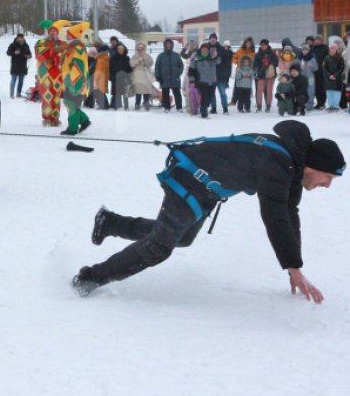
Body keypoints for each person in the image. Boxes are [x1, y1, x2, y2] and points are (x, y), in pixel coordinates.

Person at [72, 120, 345, 302]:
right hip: (189, 179)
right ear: (315, 165)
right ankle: (89, 277)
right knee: (159, 247)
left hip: (204, 188)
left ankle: (110, 222)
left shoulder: (291, 167)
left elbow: (288, 215)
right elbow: (275, 218)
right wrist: (293, 266)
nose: (327, 185)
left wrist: (293, 266)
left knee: (182, 237)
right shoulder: (278, 162)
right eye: (328, 178)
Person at [190, 42, 221, 119]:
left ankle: (204, 107)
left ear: (208, 50)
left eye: (206, 49)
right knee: (204, 97)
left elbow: (218, 62)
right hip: (202, 81)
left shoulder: (212, 57)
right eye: (203, 49)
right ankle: (204, 112)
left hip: (212, 81)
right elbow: (191, 70)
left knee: (211, 97)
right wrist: (192, 80)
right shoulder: (196, 57)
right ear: (201, 50)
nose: (204, 50)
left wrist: (216, 56)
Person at [154, 39, 183, 112]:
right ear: (164, 45)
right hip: (164, 77)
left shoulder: (176, 55)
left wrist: (178, 73)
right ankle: (166, 107)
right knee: (165, 93)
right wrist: (158, 76)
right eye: (167, 44)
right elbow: (157, 67)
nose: (168, 45)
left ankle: (179, 107)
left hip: (175, 77)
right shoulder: (161, 56)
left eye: (169, 44)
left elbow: (181, 65)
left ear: (172, 45)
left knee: (177, 93)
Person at [208, 33, 232, 114]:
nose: (212, 40)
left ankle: (225, 108)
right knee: (211, 93)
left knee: (222, 93)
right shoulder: (206, 48)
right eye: (211, 38)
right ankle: (213, 108)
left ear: (216, 39)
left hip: (220, 75)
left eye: (214, 38)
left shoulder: (221, 49)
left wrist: (227, 74)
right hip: (210, 75)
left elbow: (228, 62)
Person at [253, 39, 279, 113]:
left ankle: (268, 106)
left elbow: (276, 63)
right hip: (261, 74)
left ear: (267, 45)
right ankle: (259, 106)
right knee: (259, 90)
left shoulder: (272, 53)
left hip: (270, 74)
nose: (263, 46)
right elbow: (255, 64)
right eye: (262, 45)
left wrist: (269, 62)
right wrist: (259, 67)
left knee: (269, 90)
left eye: (264, 45)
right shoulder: (258, 54)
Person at [129, 42, 156, 110]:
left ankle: (146, 104)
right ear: (137, 48)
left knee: (146, 90)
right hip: (137, 75)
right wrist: (137, 61)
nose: (140, 49)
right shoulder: (134, 56)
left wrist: (144, 59)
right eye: (139, 48)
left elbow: (151, 63)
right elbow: (131, 64)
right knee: (138, 91)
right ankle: (137, 104)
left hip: (145, 75)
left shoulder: (147, 55)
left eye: (142, 48)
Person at [6, 33, 32, 99]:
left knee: (21, 81)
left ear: (23, 38)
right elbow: (8, 52)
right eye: (19, 38)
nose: (20, 39)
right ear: (17, 38)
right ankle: (11, 94)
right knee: (13, 80)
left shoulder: (26, 45)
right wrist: (14, 53)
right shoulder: (13, 45)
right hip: (15, 65)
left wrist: (28, 56)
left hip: (23, 66)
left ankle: (18, 93)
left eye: (21, 37)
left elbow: (30, 54)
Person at [321, 43, 344, 112]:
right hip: (328, 79)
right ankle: (331, 105)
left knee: (336, 93)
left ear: (336, 49)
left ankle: (335, 106)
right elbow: (323, 67)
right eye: (331, 48)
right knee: (329, 93)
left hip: (337, 78)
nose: (332, 49)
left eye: (333, 48)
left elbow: (341, 68)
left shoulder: (340, 57)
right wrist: (329, 75)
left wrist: (335, 75)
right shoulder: (326, 58)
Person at [109, 43, 131, 110]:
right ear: (117, 49)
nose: (121, 50)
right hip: (115, 77)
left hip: (124, 77)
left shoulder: (127, 58)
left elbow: (129, 68)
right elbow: (110, 68)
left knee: (125, 92)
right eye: (119, 49)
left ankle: (126, 105)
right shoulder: (113, 58)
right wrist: (112, 77)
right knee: (116, 92)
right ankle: (115, 105)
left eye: (122, 49)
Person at [298, 44, 318, 113]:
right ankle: (302, 104)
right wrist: (300, 67)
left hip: (310, 77)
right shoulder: (299, 58)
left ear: (308, 50)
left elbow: (316, 68)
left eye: (306, 50)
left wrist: (311, 65)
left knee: (310, 91)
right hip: (301, 77)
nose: (305, 51)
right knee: (302, 91)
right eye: (304, 49)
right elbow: (295, 68)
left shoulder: (312, 58)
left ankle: (310, 105)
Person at [91, 41, 110, 110]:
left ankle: (103, 105)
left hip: (99, 78)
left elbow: (98, 70)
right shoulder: (106, 58)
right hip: (104, 77)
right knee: (102, 91)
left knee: (99, 92)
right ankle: (106, 105)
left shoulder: (100, 60)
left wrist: (95, 79)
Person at [311, 35, 328, 108]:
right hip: (313, 71)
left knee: (322, 88)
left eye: (319, 40)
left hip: (322, 71)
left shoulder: (325, 48)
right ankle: (318, 102)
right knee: (315, 88)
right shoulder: (311, 48)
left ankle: (322, 103)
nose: (317, 41)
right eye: (316, 40)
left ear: (321, 41)